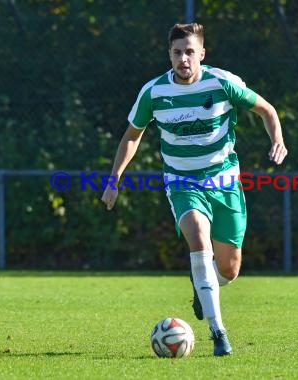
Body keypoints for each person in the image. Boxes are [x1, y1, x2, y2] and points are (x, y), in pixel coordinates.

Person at [101, 23, 287, 356]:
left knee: (229, 269)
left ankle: (203, 287)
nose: (183, 59)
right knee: (198, 239)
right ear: (169, 55)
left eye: (190, 52)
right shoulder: (154, 92)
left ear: (202, 54)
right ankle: (219, 334)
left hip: (225, 182)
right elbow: (132, 136)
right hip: (182, 183)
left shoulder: (223, 83)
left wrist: (277, 140)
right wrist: (114, 179)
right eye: (177, 52)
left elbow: (267, 110)